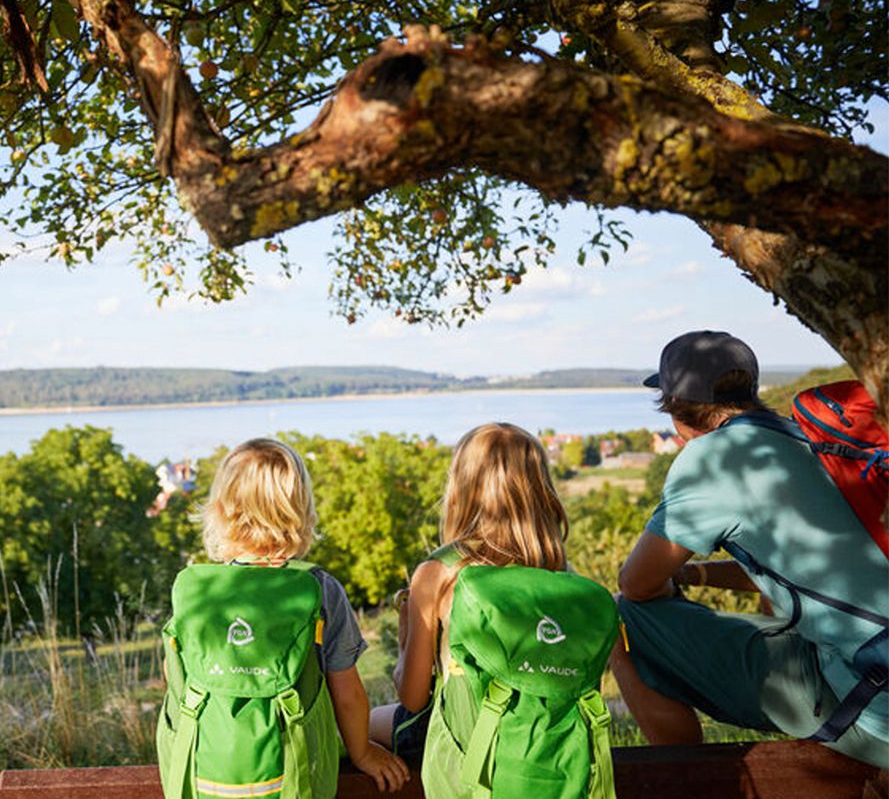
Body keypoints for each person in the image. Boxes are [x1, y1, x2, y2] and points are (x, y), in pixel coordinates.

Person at [612, 330, 888, 768]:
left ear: (676, 408)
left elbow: (637, 584)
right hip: (873, 667)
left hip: (869, 704)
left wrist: (667, 586)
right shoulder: (808, 440)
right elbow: (798, 566)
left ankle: (679, 783)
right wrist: (695, 574)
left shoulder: (712, 460)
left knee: (624, 617)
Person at [372, 422, 617, 799]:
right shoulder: (559, 573)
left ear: (460, 490)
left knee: (364, 728)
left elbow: (413, 696)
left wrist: (406, 638)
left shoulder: (439, 573)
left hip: (467, 747)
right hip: (546, 746)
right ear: (541, 491)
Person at [156, 438, 408, 799]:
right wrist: (363, 753)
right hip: (295, 773)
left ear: (221, 510)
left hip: (205, 771)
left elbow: (173, 676)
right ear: (301, 509)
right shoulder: (318, 589)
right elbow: (348, 694)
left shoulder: (198, 591)